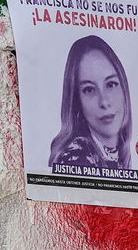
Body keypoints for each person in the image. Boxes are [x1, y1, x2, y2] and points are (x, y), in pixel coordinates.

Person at [49, 34, 133, 170]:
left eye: (111, 84)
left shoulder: (118, 151)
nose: (104, 101)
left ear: (124, 88)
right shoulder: (76, 156)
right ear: (76, 102)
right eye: (89, 89)